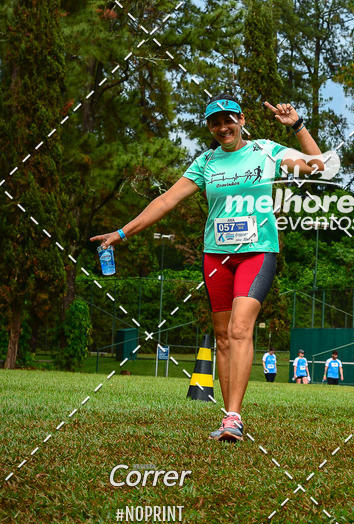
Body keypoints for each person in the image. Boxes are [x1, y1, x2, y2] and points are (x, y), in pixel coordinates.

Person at [91, 93, 326, 442]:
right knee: (223, 338)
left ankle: (234, 417)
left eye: (228, 119)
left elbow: (319, 167)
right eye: (215, 122)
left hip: (257, 252)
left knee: (239, 328)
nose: (222, 127)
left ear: (242, 119)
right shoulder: (205, 162)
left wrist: (298, 127)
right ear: (209, 128)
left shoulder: (266, 150)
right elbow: (166, 200)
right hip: (216, 257)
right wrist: (123, 232)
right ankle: (228, 415)